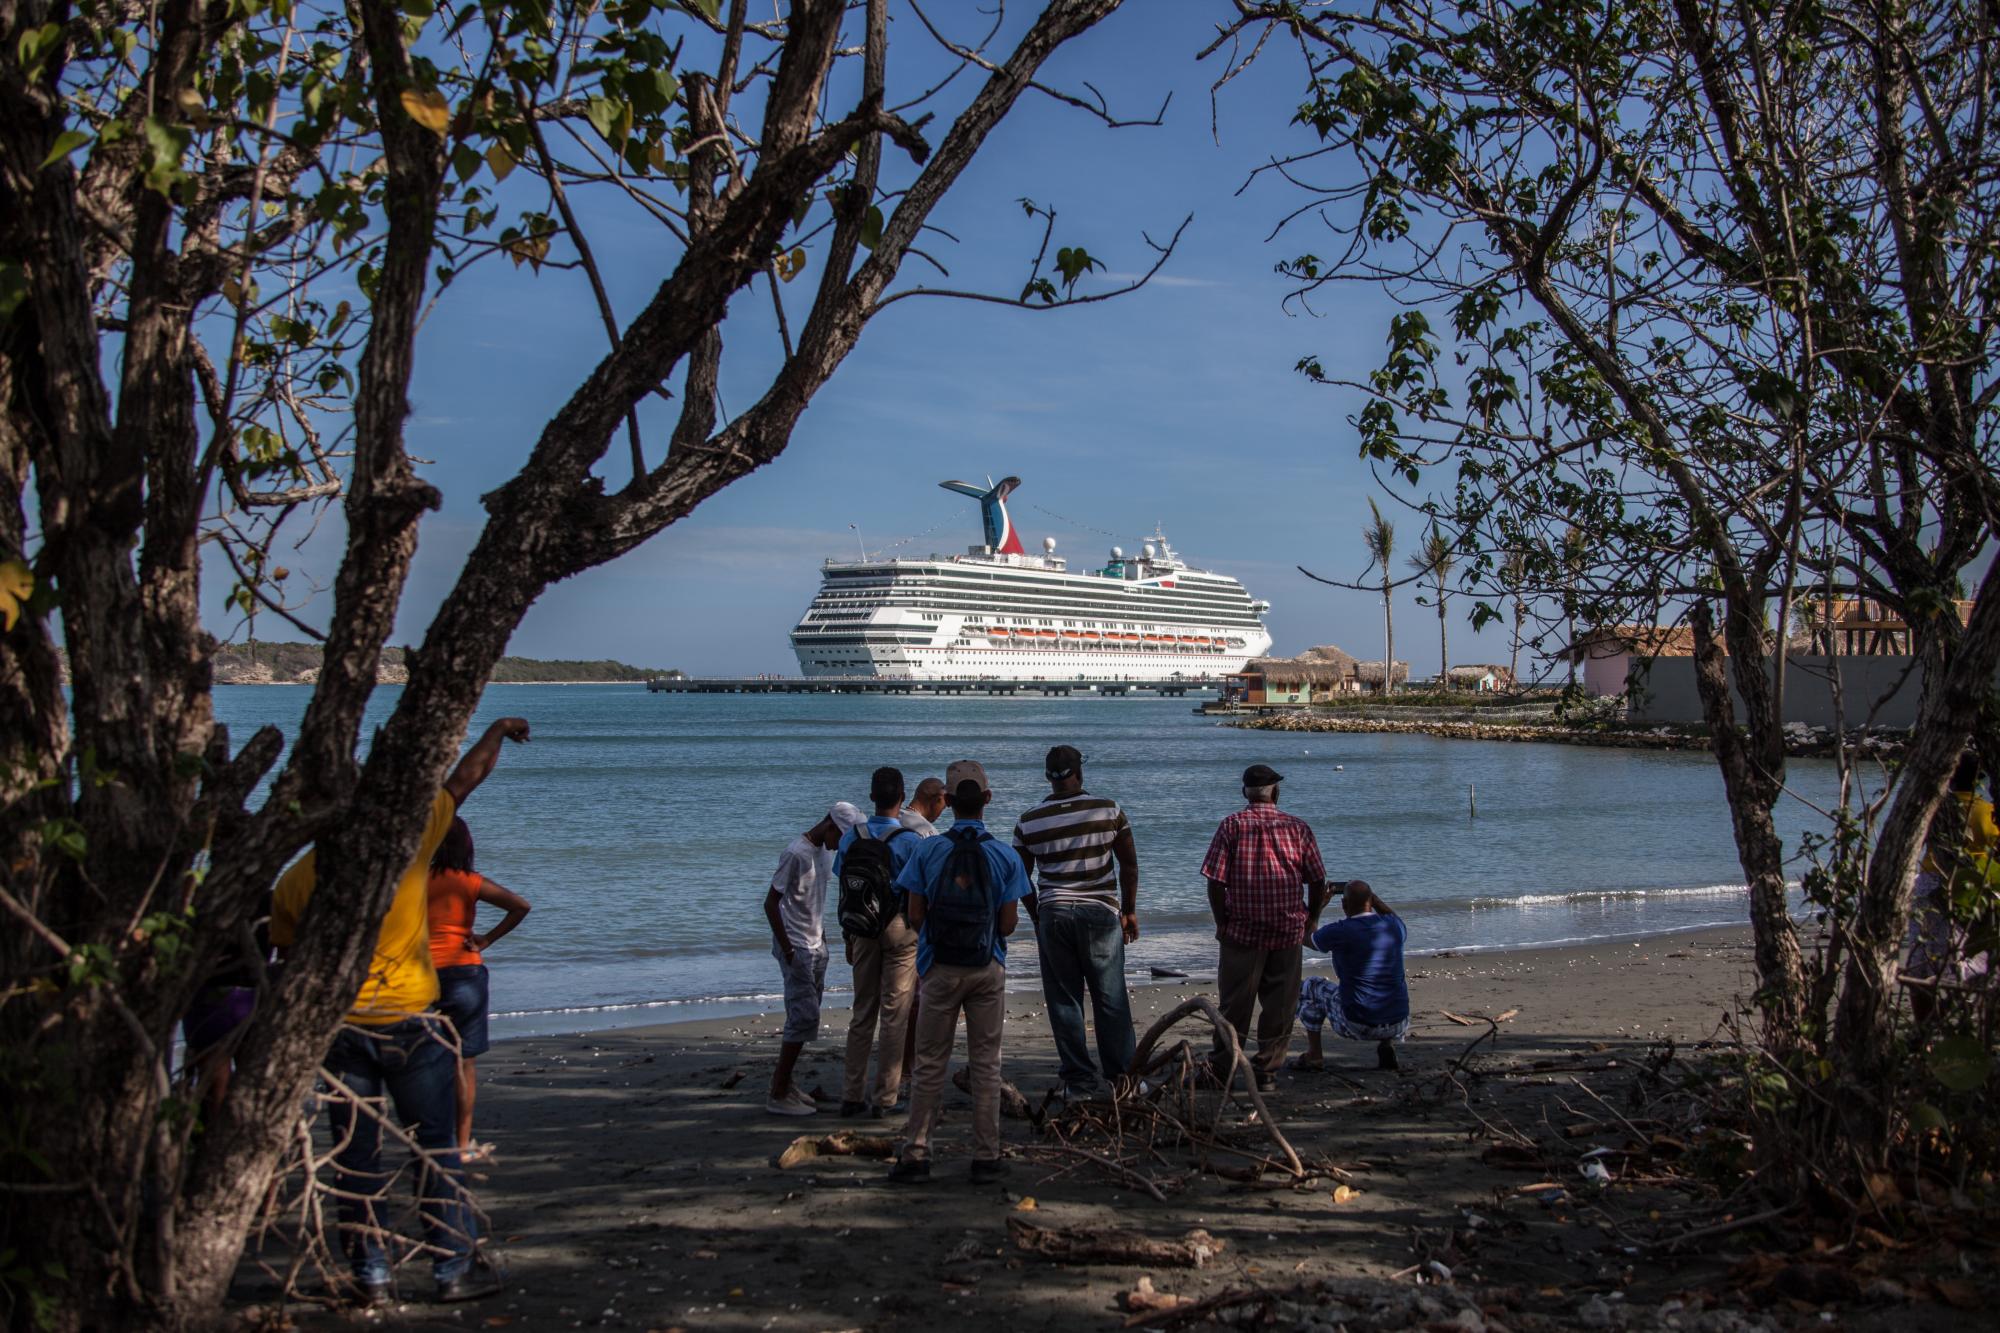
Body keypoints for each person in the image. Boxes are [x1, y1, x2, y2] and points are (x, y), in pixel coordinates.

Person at [269, 715, 532, 1306]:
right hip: (411, 1022)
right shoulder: (405, 849)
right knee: (434, 1148)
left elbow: (288, 962)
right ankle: (450, 1271)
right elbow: (464, 780)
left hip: (340, 1030)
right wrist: (496, 729)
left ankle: (372, 1276)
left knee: (355, 1157)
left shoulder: (295, 879)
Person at [887, 760, 1032, 1183]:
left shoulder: (928, 849)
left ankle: (916, 1153)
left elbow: (914, 913)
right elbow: (1007, 924)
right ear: (988, 799)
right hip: (987, 965)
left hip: (939, 968)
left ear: (947, 802)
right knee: (987, 1063)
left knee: (930, 1063)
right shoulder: (1005, 854)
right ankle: (986, 1156)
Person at [1013, 744, 1139, 1100]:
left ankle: (1079, 1082)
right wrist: (1129, 910)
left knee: (1064, 1000)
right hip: (1100, 912)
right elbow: (1129, 864)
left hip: (1054, 913)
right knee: (1110, 997)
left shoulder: (1028, 820)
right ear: (1079, 772)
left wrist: (1038, 914)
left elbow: (1021, 879)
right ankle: (1122, 1079)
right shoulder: (1109, 810)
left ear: (1047, 777)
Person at [1199, 763, 1331, 1092]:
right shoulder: (1297, 828)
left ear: (1245, 792)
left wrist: (1221, 922)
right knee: (1281, 1005)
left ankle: (1224, 1064)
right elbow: (1317, 880)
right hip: (1286, 928)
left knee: (1234, 1003)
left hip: (1242, 930)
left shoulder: (1231, 825)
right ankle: (1267, 1068)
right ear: (1275, 791)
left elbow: (1215, 882)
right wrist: (1311, 918)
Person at [427, 817, 533, 1157]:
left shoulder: (411, 881)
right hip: (463, 974)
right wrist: (486, 939)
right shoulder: (469, 881)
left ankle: (429, 1137)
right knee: (464, 1062)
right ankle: (461, 1143)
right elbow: (521, 906)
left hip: (420, 976)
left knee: (421, 1062)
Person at [763, 802, 865, 1116]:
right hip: (796, 946)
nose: (841, 844)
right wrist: (789, 949)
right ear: (829, 825)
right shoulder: (796, 853)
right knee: (803, 1018)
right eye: (841, 836)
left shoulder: (823, 853)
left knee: (805, 1016)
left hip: (816, 943)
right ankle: (778, 1092)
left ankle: (787, 1084)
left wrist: (824, 940)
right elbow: (771, 903)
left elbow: (817, 899)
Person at [835, 768, 923, 1117]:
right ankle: (885, 1097)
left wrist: (847, 934)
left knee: (862, 1013)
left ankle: (851, 1094)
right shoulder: (910, 841)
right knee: (895, 1014)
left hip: (861, 928)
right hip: (899, 927)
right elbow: (917, 892)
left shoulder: (850, 838)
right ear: (902, 797)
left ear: (871, 797)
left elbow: (844, 888)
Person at [1908, 753, 1998, 1019]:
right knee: (1976, 956)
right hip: (1977, 888)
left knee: (1921, 961)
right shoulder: (1987, 811)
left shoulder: (1936, 808)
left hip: (1932, 883)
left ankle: (1924, 1026)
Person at [1297, 880, 1410, 1072]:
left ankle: (1314, 1054)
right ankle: (1386, 1044)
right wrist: (1375, 901)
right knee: (1382, 985)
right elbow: (1393, 917)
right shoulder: (1394, 927)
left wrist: (1318, 907)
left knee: (1310, 986)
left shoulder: (1341, 930)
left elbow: (1306, 937)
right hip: (1399, 1023)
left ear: (1344, 905)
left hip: (1357, 1024)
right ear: (1372, 900)